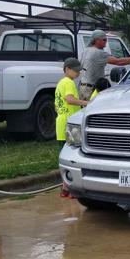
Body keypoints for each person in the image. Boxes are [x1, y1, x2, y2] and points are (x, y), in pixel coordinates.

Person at [55, 57, 89, 198]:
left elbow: (57, 105)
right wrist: (87, 103)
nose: (78, 73)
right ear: (67, 69)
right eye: (76, 71)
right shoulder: (68, 82)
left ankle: (65, 189)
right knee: (71, 157)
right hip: (69, 125)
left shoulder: (60, 83)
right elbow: (70, 100)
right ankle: (70, 189)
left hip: (61, 123)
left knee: (65, 156)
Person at [80, 30, 130, 97]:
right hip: (92, 89)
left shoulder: (86, 51)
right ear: (97, 40)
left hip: (83, 87)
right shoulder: (98, 53)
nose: (106, 42)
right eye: (104, 40)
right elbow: (119, 62)